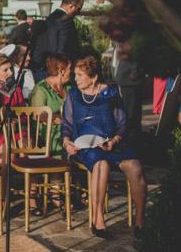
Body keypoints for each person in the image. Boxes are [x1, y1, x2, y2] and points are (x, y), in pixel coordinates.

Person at [61, 55, 147, 239]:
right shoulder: (73, 95)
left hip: (110, 142)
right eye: (75, 74)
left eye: (79, 75)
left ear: (93, 77)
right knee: (102, 165)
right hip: (85, 147)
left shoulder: (110, 94)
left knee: (135, 166)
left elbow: (123, 123)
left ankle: (140, 220)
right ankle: (97, 220)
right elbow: (66, 125)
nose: (75, 79)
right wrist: (67, 143)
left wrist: (114, 140)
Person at [28, 52, 73, 214]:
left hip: (65, 132)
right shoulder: (41, 89)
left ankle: (56, 194)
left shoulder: (69, 88)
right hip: (44, 134)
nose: (71, 71)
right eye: (69, 68)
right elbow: (39, 116)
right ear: (61, 71)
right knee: (52, 146)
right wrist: (63, 118)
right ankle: (33, 198)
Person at [32, 0, 84, 83]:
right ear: (71, 6)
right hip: (58, 70)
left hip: (41, 68)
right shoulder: (67, 21)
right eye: (78, 9)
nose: (78, 13)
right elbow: (64, 47)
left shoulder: (48, 19)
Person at [113, 49, 145, 138]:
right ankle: (133, 133)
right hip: (127, 81)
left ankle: (132, 135)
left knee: (131, 111)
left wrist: (135, 72)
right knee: (132, 109)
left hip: (130, 81)